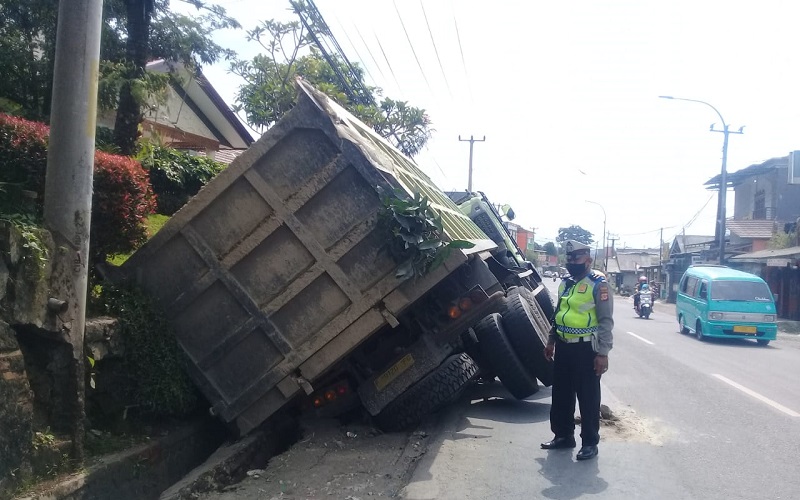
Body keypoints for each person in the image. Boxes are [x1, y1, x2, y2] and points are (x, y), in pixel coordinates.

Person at [541, 239, 614, 460]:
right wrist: (551, 340)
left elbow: (605, 321)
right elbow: (558, 314)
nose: (572, 262)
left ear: (589, 260)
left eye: (577, 258)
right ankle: (563, 436)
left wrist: (603, 353)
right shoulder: (566, 283)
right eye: (569, 258)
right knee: (561, 394)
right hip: (564, 347)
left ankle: (590, 442)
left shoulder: (598, 284)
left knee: (588, 397)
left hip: (586, 350)